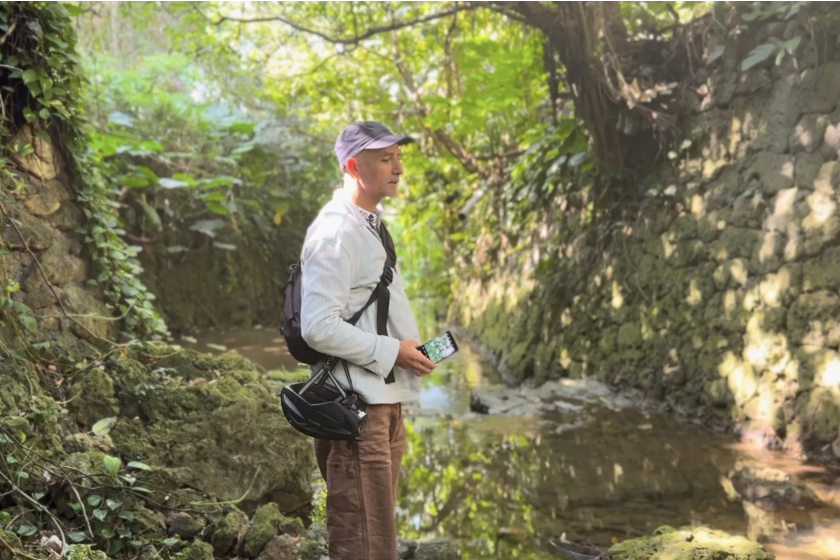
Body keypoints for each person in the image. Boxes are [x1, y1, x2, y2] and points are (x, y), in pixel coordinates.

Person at [299, 121, 437, 560]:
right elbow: (317, 327)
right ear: (354, 166)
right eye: (385, 158)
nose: (398, 168)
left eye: (399, 157)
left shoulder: (368, 225)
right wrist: (394, 351)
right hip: (356, 410)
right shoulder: (336, 234)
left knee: (378, 537)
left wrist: (408, 353)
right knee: (364, 543)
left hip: (381, 402)